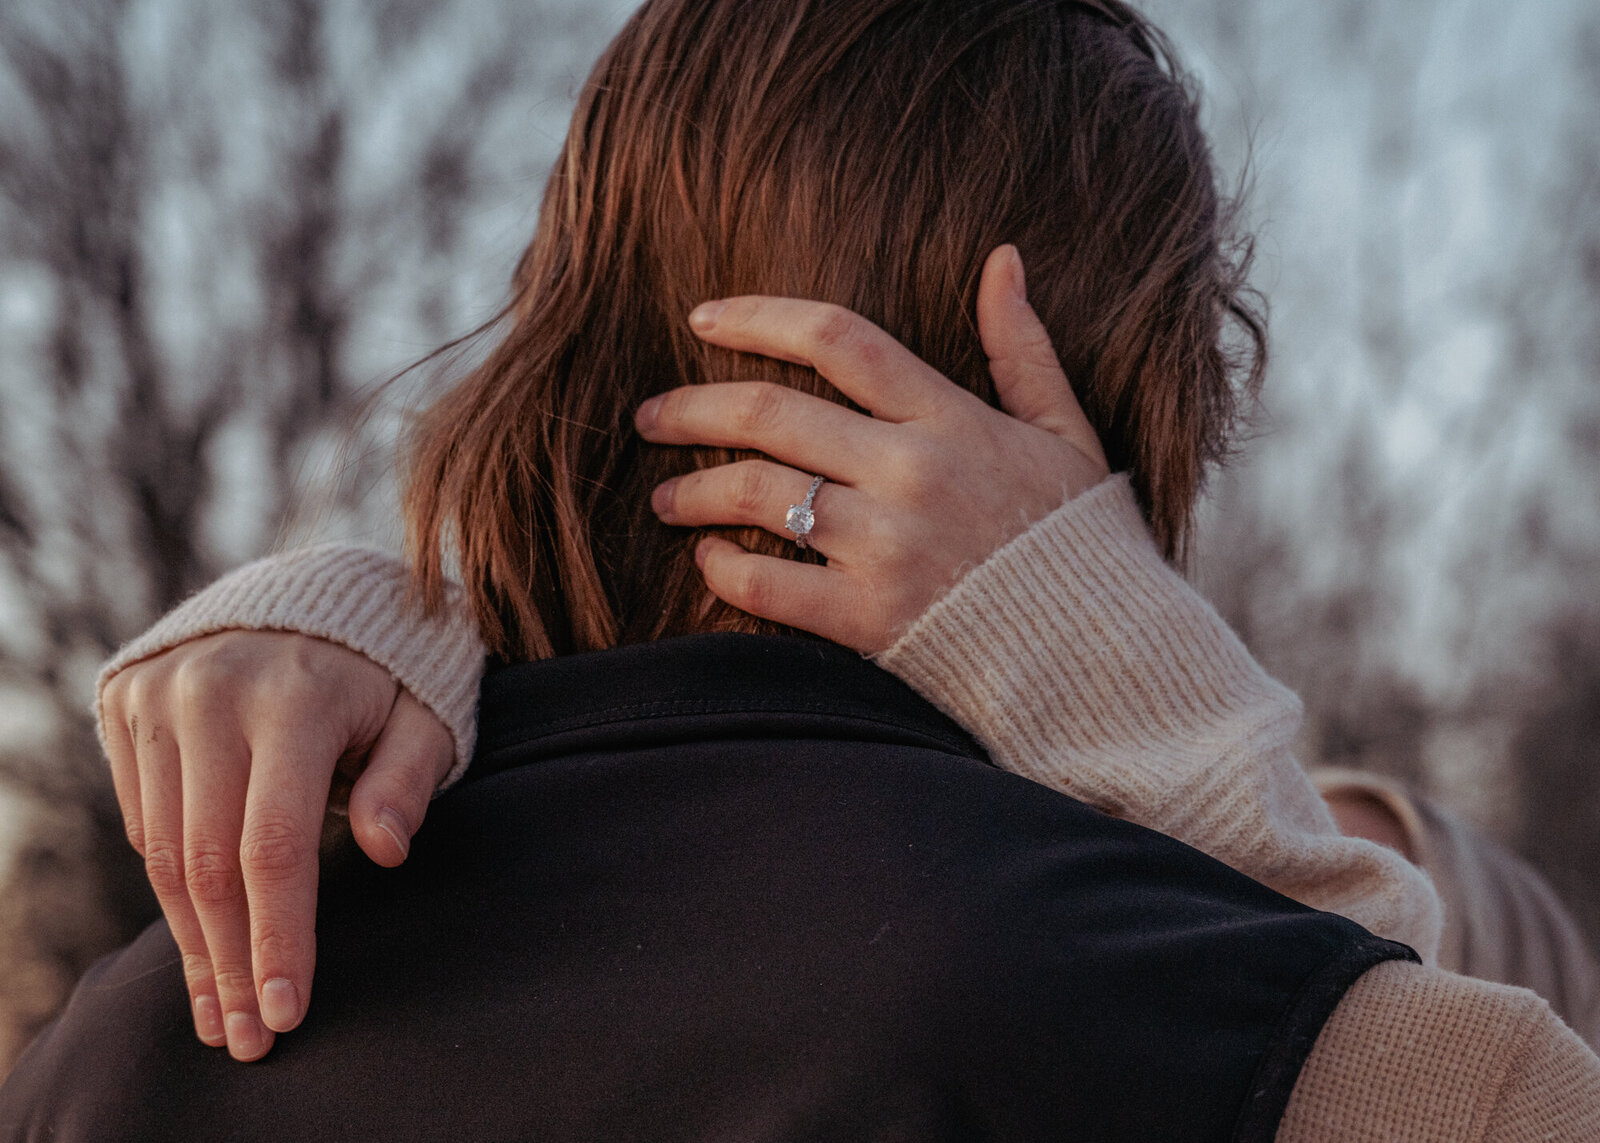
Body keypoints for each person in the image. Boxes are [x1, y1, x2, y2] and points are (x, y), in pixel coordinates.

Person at [4, 0, 1598, 1138]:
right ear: (1129, 439)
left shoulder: (126, 1047)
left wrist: (425, 599)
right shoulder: (1260, 1033)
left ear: (568, 333)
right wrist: (1141, 691)